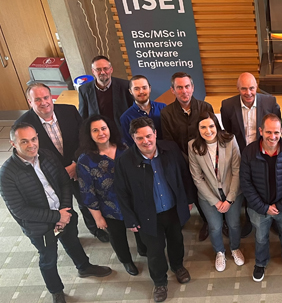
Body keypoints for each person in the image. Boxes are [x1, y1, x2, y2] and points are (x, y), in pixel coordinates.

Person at [0, 123, 112, 303]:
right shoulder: (6, 174)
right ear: (13, 143)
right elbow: (19, 210)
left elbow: (64, 183)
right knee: (48, 258)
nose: (31, 145)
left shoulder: (47, 155)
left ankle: (84, 266)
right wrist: (56, 217)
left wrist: (65, 211)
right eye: (24, 141)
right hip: (40, 227)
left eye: (34, 139)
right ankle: (56, 290)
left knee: (73, 242)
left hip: (65, 214)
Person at [15, 83, 109, 243]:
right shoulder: (23, 125)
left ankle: (95, 229)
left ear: (51, 97)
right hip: (51, 175)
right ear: (30, 102)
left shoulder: (69, 110)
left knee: (85, 199)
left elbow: (84, 139)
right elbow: (30, 154)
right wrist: (61, 171)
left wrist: (75, 164)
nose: (44, 102)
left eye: (46, 97)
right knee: (63, 207)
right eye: (37, 99)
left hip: (77, 166)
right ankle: (71, 236)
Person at [114, 117, 195, 302]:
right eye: (140, 138)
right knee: (155, 251)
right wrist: (130, 219)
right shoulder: (124, 161)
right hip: (147, 216)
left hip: (173, 209)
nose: (146, 141)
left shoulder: (171, 149)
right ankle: (159, 282)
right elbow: (121, 192)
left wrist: (189, 199)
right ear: (133, 138)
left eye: (149, 136)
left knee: (176, 241)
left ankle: (178, 266)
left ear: (155, 134)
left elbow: (184, 174)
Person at [77, 115, 146, 276]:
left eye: (103, 128)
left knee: (140, 227)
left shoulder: (124, 148)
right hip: (109, 207)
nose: (101, 133)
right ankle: (126, 260)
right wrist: (97, 217)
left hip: (132, 201)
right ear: (89, 134)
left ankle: (143, 249)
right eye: (95, 130)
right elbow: (87, 192)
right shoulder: (85, 160)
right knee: (117, 236)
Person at [240, 114, 282, 282]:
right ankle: (260, 263)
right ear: (261, 131)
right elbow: (245, 182)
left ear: (281, 131)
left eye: (276, 132)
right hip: (259, 208)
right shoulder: (249, 152)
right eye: (268, 132)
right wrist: (263, 207)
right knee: (260, 236)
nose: (272, 137)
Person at [221, 72, 281, 238]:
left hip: (265, 152)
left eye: (252, 88)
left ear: (256, 87)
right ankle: (249, 219)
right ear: (238, 88)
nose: (248, 92)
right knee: (247, 187)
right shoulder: (227, 105)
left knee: (270, 185)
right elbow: (228, 131)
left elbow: (276, 125)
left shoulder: (270, 101)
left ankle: (273, 218)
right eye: (244, 89)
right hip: (241, 156)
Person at [188, 112, 245, 272]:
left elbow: (237, 170)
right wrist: (216, 202)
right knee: (214, 226)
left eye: (211, 126)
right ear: (198, 129)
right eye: (203, 127)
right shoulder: (193, 145)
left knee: (234, 224)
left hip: (232, 192)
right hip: (209, 195)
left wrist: (229, 199)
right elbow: (197, 178)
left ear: (217, 126)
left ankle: (235, 248)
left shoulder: (229, 140)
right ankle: (219, 252)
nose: (208, 130)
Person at [161, 71, 214, 241]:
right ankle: (194, 219)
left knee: (208, 193)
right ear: (173, 90)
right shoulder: (166, 114)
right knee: (189, 193)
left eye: (187, 86)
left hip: (206, 161)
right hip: (181, 163)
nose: (184, 91)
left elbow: (213, 135)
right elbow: (169, 143)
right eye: (179, 88)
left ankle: (212, 222)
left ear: (192, 87)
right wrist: (188, 162)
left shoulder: (205, 108)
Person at [78, 55, 133, 135]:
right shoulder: (84, 90)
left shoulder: (125, 86)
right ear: (93, 71)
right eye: (98, 69)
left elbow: (132, 111)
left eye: (105, 68)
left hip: (122, 132)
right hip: (99, 134)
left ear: (111, 69)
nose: (102, 72)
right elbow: (83, 117)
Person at [120, 75, 167, 146]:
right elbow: (131, 144)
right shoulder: (126, 118)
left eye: (144, 88)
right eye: (136, 89)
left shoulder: (163, 107)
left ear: (150, 88)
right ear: (130, 91)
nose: (141, 91)